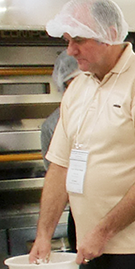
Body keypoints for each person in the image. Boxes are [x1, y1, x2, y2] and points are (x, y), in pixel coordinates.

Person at [30, 0, 135, 269]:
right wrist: (44, 234)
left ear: (109, 34)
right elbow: (60, 167)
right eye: (68, 40)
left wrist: (103, 231)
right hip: (88, 248)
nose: (70, 50)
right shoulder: (79, 87)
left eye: (80, 40)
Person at [40, 51, 81, 250]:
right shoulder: (53, 125)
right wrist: (44, 236)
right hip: (80, 215)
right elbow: (57, 177)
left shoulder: (113, 112)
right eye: (70, 84)